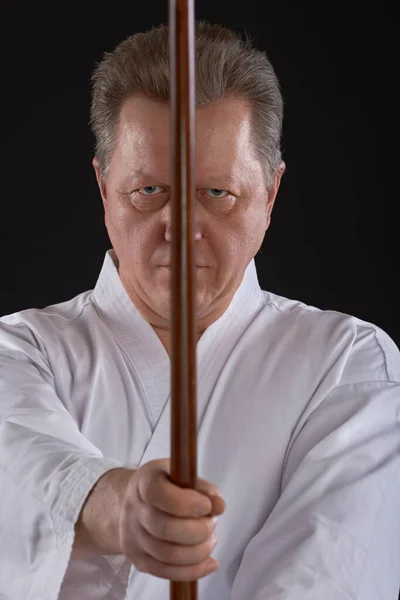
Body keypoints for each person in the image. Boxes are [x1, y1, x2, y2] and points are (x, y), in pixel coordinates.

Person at [0, 19, 399, 600]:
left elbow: (329, 578)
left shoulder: (349, 366)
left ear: (271, 196)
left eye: (218, 194)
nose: (181, 230)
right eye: (148, 191)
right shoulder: (18, 350)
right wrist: (117, 507)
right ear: (102, 188)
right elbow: (16, 471)